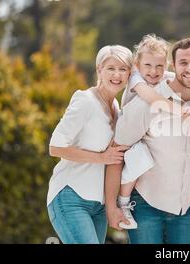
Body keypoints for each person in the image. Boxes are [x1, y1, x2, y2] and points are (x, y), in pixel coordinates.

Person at [105, 38, 190, 244]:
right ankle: (124, 201)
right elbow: (117, 152)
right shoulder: (145, 99)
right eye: (183, 62)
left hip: (187, 207)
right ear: (174, 65)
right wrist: (113, 206)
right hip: (146, 206)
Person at [47, 45, 132, 243]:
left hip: (98, 205)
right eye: (111, 68)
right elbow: (55, 147)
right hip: (70, 197)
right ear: (99, 70)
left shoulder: (116, 107)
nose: (117, 75)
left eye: (123, 69)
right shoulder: (85, 100)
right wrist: (101, 158)